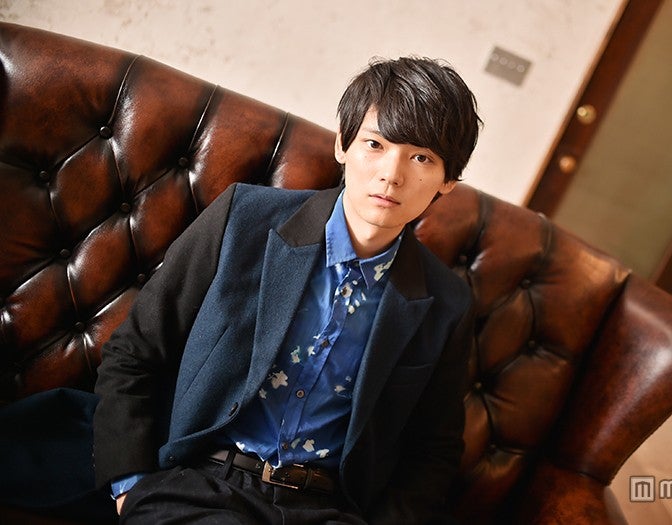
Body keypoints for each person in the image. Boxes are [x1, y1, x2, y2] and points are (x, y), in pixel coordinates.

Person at [93, 55, 482, 524]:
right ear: (342, 144)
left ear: (448, 181)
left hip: (325, 507)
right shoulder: (243, 219)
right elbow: (135, 351)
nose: (391, 174)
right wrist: (130, 486)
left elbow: (432, 451)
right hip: (205, 482)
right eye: (375, 144)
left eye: (422, 158)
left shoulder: (447, 304)